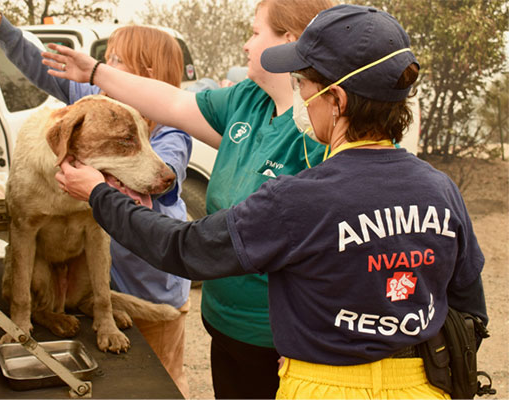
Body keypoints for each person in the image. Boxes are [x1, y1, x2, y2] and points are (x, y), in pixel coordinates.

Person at [52, 4, 488, 399]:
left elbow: (184, 248)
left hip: (322, 385)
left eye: (303, 84)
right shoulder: (440, 189)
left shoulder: (300, 199)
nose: (298, 94)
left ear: (334, 101)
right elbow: (469, 307)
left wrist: (97, 193)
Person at [42, 0, 334, 397]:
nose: (246, 46)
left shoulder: (321, 135)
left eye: (254, 32)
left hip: (281, 344)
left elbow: (333, 254)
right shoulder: (248, 100)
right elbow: (173, 102)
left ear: (290, 40)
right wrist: (95, 72)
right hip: (222, 324)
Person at [0, 2, 192, 397]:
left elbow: (164, 173)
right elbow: (42, 67)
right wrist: (0, 27)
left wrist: (117, 182)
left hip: (155, 284)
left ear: (147, 76)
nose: (102, 68)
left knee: (162, 380)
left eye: (114, 61)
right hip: (110, 282)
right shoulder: (100, 103)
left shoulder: (173, 131)